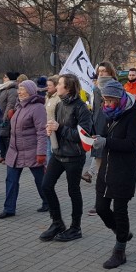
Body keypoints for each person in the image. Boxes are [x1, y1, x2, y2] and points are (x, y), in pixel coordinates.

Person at [91, 80, 136, 269]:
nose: (107, 104)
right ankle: (122, 232)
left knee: (120, 211)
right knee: (101, 208)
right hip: (106, 169)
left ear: (119, 99)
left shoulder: (133, 113)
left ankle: (120, 251)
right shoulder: (110, 112)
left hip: (123, 171)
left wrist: (106, 142)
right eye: (104, 100)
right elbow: (106, 135)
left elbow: (131, 144)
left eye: (110, 101)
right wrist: (97, 139)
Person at [40, 73, 93, 242]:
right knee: (46, 186)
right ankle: (57, 223)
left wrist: (59, 128)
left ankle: (75, 228)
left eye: (60, 83)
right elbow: (58, 127)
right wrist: (50, 130)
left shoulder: (81, 108)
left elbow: (83, 136)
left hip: (74, 157)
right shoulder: (59, 104)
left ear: (68, 87)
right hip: (58, 153)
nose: (56, 86)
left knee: (73, 191)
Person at [0, 80, 48, 219]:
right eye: (18, 89)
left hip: (32, 151)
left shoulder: (38, 108)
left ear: (30, 91)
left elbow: (42, 132)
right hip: (15, 151)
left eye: (22, 89)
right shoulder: (19, 106)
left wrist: (41, 152)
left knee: (40, 180)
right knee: (11, 180)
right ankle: (9, 209)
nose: (19, 92)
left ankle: (48, 202)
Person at [82, 61, 117, 185]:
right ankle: (96, 178)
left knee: (103, 153)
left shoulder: (113, 85)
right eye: (99, 71)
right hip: (98, 122)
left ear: (110, 72)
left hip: (110, 123)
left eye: (104, 71)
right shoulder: (96, 87)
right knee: (99, 153)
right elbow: (96, 108)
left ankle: (96, 176)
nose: (101, 73)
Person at [0, 71, 20, 164]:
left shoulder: (12, 90)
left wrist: (5, 117)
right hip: (0, 115)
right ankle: (2, 155)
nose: (3, 78)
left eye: (5, 77)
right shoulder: (3, 88)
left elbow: (10, 104)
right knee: (1, 136)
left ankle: (8, 157)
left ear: (10, 78)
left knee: (7, 137)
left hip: (6, 117)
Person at [44, 75, 61, 164]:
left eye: (50, 85)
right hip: (47, 128)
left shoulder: (58, 98)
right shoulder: (48, 97)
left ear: (56, 86)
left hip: (55, 129)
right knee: (48, 150)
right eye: (47, 85)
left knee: (53, 150)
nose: (47, 87)